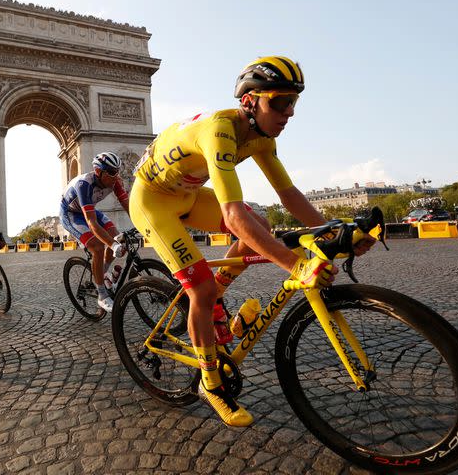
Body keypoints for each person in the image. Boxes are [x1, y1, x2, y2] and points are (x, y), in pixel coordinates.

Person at [129, 56, 374, 427]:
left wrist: (333, 231)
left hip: (188, 194)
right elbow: (231, 216)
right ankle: (210, 383)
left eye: (294, 102)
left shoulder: (261, 138)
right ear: (250, 101)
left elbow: (289, 196)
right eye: (279, 102)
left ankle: (218, 299)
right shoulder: (220, 130)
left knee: (257, 224)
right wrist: (296, 266)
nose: (289, 112)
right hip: (151, 201)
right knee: (201, 288)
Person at [59, 152, 130, 312]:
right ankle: (102, 295)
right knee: (98, 247)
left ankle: (100, 273)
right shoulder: (84, 184)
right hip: (71, 214)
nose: (116, 176)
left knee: (118, 238)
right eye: (112, 172)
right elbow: (91, 222)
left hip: (90, 210)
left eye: (118, 171)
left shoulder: (115, 182)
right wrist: (112, 245)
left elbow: (129, 207)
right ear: (98, 171)